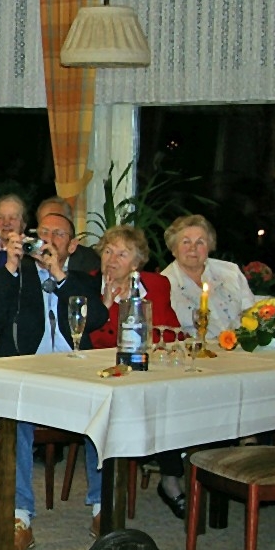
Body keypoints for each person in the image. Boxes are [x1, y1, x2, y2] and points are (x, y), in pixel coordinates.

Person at [0, 210, 107, 550]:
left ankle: (101, 509)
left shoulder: (80, 280)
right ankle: (19, 517)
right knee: (13, 415)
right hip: (27, 381)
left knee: (105, 407)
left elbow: (97, 318)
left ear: (72, 246)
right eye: (42, 232)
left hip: (74, 380)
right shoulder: (14, 276)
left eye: (58, 234)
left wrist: (59, 275)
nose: (48, 239)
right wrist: (10, 265)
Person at [87, 224, 188, 524]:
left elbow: (171, 333)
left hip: (147, 369)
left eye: (122, 253)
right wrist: (105, 306)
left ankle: (170, 476)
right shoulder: (88, 285)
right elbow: (91, 342)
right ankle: (165, 476)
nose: (112, 259)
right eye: (108, 251)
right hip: (105, 375)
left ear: (137, 261)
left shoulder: (156, 285)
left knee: (170, 396)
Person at [160, 214, 256, 335]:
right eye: (186, 242)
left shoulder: (230, 272)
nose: (193, 248)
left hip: (239, 344)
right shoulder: (163, 284)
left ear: (209, 247)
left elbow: (251, 313)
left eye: (200, 242)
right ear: (174, 249)